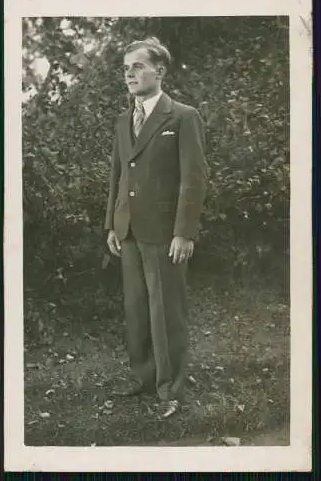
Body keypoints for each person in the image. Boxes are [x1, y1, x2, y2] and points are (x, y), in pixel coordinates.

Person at [105, 37, 208, 419]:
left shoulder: (182, 116)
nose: (129, 73)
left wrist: (185, 231)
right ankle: (144, 378)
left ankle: (171, 390)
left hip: (166, 232)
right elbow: (116, 176)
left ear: (160, 70)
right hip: (128, 229)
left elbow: (193, 179)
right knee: (136, 308)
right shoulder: (121, 121)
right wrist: (111, 224)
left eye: (137, 66)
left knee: (166, 310)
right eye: (126, 68)